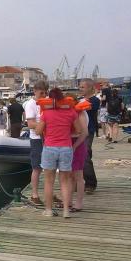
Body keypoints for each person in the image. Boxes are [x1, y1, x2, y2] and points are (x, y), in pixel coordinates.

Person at [35, 88, 85, 218]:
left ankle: (48, 210)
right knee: (65, 181)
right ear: (63, 98)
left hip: (50, 148)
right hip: (66, 148)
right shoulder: (71, 112)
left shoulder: (46, 113)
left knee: (48, 181)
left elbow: (38, 132)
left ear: (49, 100)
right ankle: (66, 211)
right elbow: (78, 130)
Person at [23, 80, 49, 205]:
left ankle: (49, 193)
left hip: (49, 138)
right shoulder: (30, 104)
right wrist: (44, 125)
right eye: (41, 93)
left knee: (49, 168)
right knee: (37, 168)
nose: (43, 95)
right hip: (37, 139)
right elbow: (30, 123)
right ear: (35, 91)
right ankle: (34, 194)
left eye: (45, 93)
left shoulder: (47, 101)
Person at [67, 93, 89, 211]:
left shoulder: (81, 113)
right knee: (70, 176)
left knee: (78, 176)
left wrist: (75, 145)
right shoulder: (68, 113)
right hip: (68, 144)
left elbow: (84, 133)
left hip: (78, 145)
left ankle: (79, 203)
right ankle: (69, 201)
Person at [79, 79, 100, 193]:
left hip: (88, 131)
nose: (80, 89)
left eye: (82, 87)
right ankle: (79, 181)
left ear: (90, 88)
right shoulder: (79, 100)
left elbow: (87, 107)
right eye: (80, 87)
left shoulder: (95, 100)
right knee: (78, 156)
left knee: (86, 156)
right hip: (78, 131)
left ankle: (91, 183)